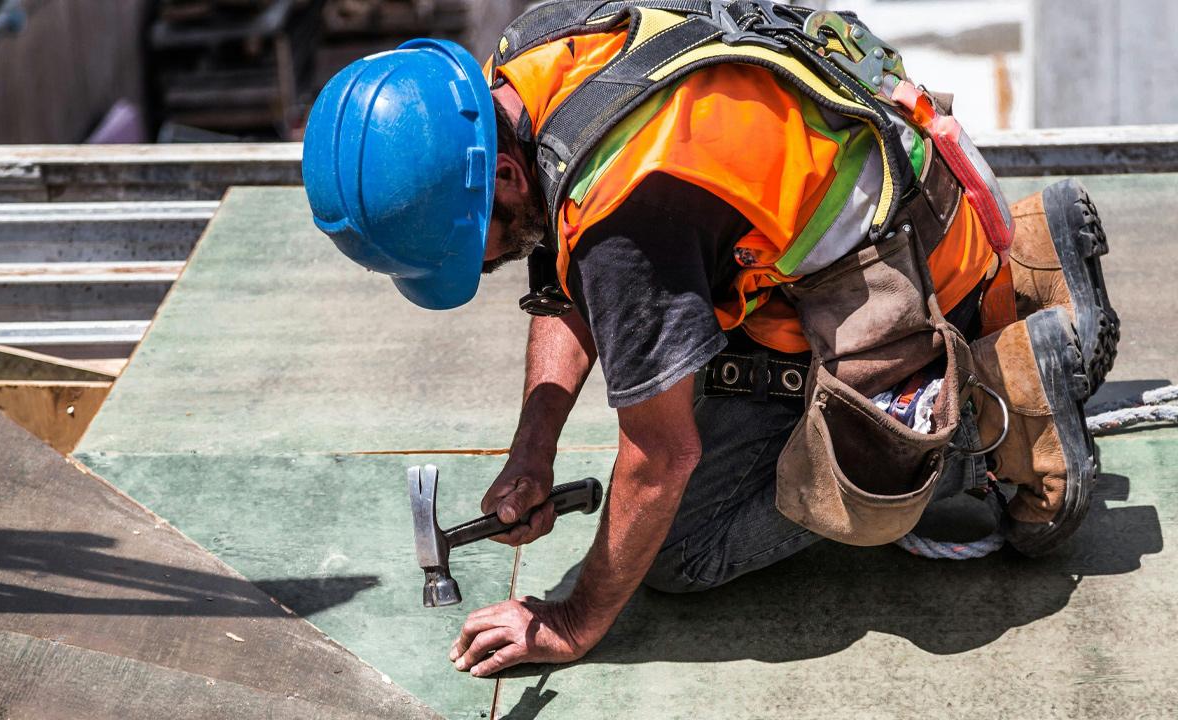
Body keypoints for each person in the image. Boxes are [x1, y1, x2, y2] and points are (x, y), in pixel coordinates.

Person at [302, 2, 1118, 679]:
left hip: (901, 288)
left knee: (683, 549)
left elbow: (662, 457)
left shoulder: (628, 215)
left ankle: (994, 406)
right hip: (914, 204)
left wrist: (573, 620)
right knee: (667, 371)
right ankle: (1031, 264)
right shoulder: (535, 58)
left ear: (505, 177)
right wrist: (532, 451)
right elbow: (564, 270)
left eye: (465, 250)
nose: (477, 271)